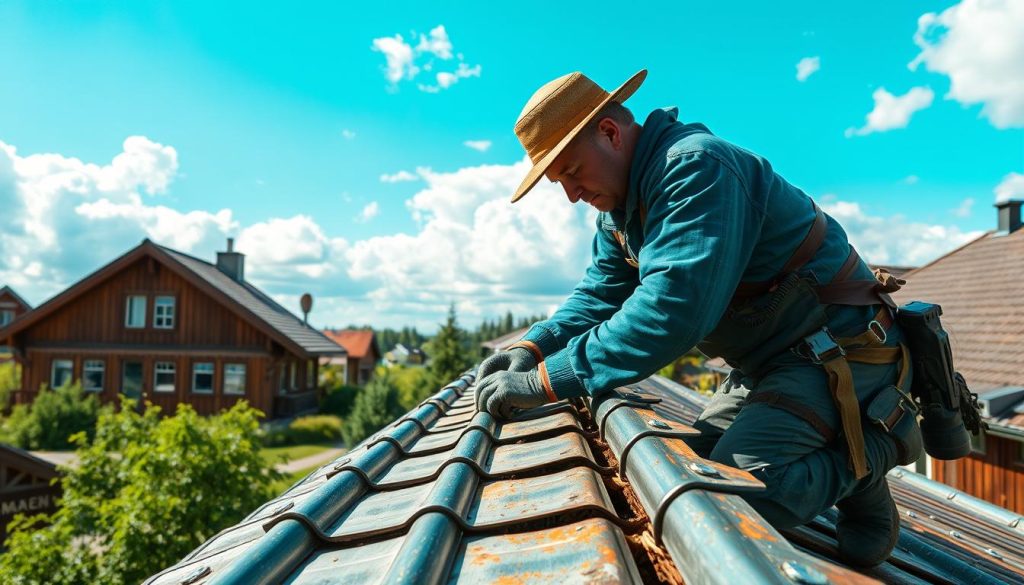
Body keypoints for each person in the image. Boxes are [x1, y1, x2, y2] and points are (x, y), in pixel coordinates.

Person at [474, 69, 923, 568]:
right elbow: (600, 293)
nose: (571, 195)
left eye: (573, 172)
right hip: (769, 366)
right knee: (680, 472)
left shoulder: (695, 169)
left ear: (609, 132)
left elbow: (671, 312)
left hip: (840, 354)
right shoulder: (622, 211)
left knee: (737, 501)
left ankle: (874, 450)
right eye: (560, 184)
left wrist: (545, 381)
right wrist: (531, 348)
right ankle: (847, 453)